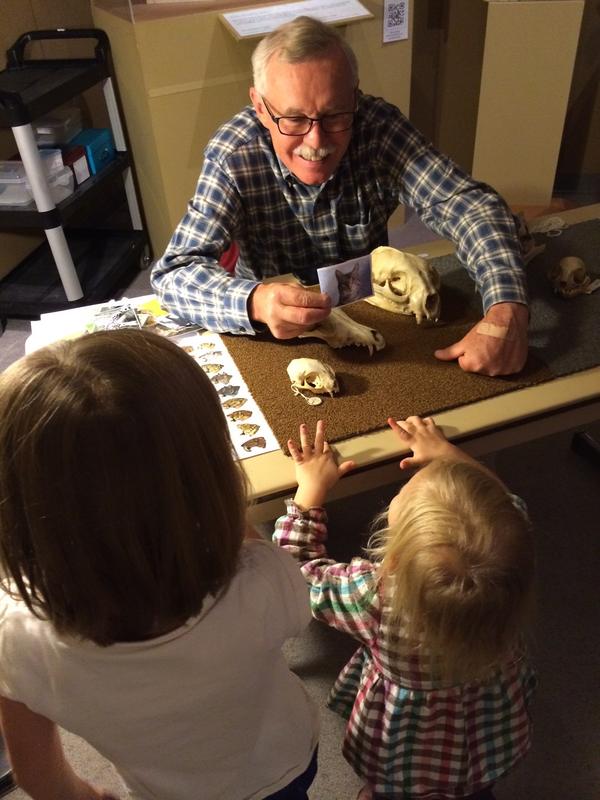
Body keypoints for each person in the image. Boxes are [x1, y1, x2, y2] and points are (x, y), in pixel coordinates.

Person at [0, 329, 318, 800]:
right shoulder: (263, 578)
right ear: (208, 480)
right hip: (282, 767)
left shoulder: (16, 639)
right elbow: (294, 601)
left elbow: (39, 775)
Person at [151, 16, 530, 377]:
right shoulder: (235, 153)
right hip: (276, 331)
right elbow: (174, 273)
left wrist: (506, 310)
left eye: (335, 116)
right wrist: (256, 302)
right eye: (294, 120)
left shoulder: (378, 127)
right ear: (261, 108)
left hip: (376, 312)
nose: (316, 142)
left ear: (355, 96)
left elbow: (471, 208)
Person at [273, 416, 536, 799]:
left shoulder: (375, 596)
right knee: (477, 777)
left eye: (403, 496)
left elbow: (298, 572)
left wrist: (310, 490)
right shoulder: (514, 563)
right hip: (487, 738)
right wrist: (450, 456)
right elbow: (508, 506)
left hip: (403, 749)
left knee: (395, 786)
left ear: (392, 558)